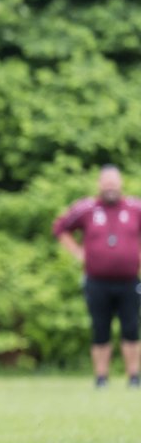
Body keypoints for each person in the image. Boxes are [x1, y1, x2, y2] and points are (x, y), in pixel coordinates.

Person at [53, 165, 141, 388]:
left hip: (129, 280)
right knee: (100, 328)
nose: (110, 186)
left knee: (130, 328)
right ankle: (101, 377)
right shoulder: (87, 208)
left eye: (114, 182)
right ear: (100, 184)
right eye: (106, 182)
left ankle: (133, 376)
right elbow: (60, 228)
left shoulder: (135, 208)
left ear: (121, 184)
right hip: (97, 281)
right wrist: (77, 252)